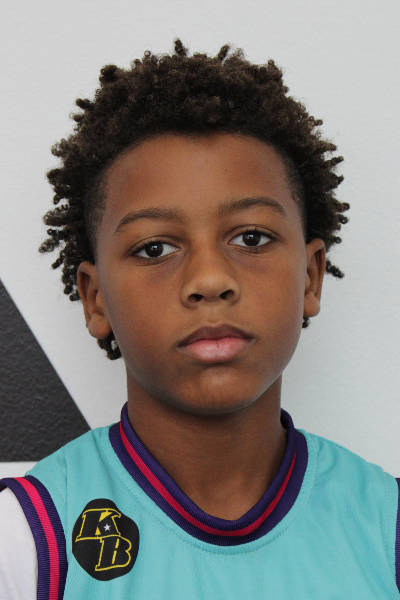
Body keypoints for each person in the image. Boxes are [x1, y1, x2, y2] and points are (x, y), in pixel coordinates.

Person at [0, 39, 398, 599]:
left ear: (310, 277)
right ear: (96, 299)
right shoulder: (27, 541)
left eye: (251, 238)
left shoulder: (385, 527)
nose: (210, 279)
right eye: (155, 249)